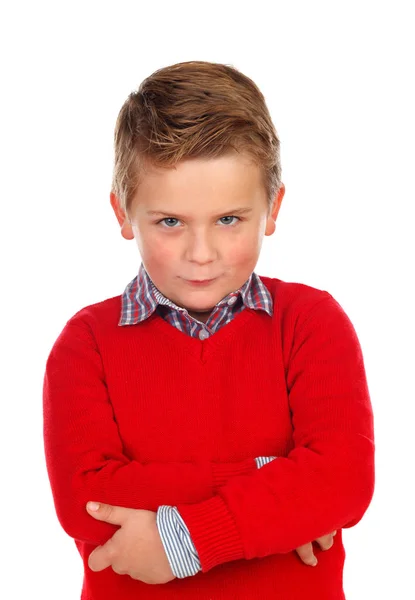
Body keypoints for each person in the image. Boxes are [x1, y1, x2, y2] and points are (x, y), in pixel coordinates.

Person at [42, 60, 375, 600]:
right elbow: (87, 503)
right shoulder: (87, 344)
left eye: (228, 219)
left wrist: (182, 541)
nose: (201, 255)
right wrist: (276, 481)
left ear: (273, 208)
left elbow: (342, 481)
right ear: (124, 214)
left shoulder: (312, 323)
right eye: (170, 222)